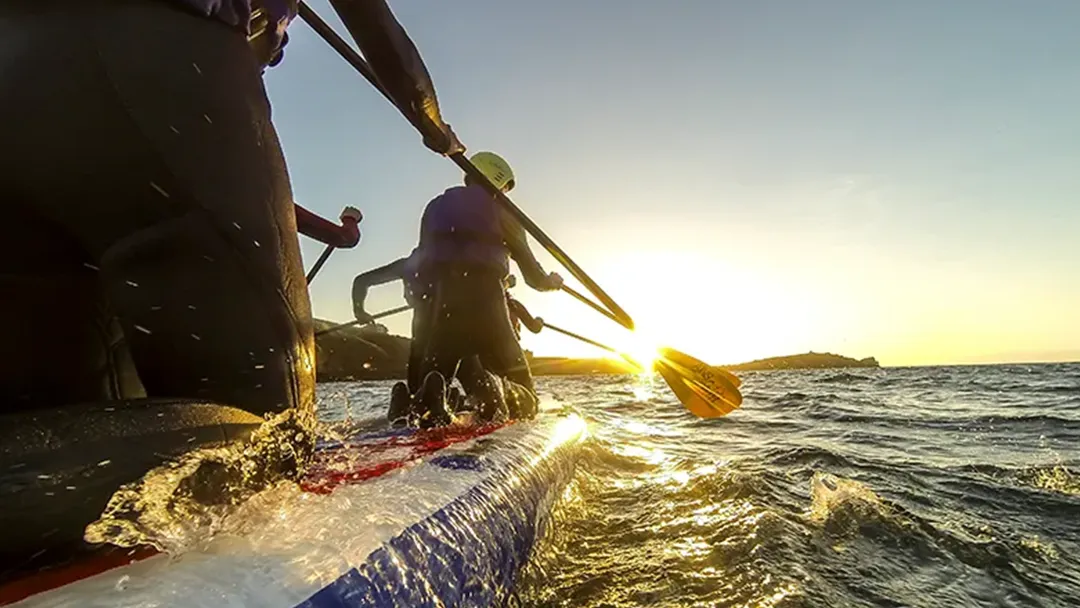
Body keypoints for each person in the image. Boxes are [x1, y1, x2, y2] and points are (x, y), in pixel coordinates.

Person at [0, 0, 460, 576]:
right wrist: (434, 124)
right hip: (167, 59)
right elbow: (374, 25)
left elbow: (275, 211)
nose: (277, 53)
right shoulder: (206, 72)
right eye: (279, 43)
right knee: (269, 440)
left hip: (11, 77)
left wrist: (341, 235)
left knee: (64, 412)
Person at [402, 152, 564, 428]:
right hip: (488, 302)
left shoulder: (433, 208)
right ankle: (499, 389)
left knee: (435, 376)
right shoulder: (504, 212)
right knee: (526, 399)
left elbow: (422, 262)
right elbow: (533, 277)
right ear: (498, 181)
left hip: (443, 305)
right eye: (504, 188)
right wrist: (553, 281)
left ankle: (427, 394)